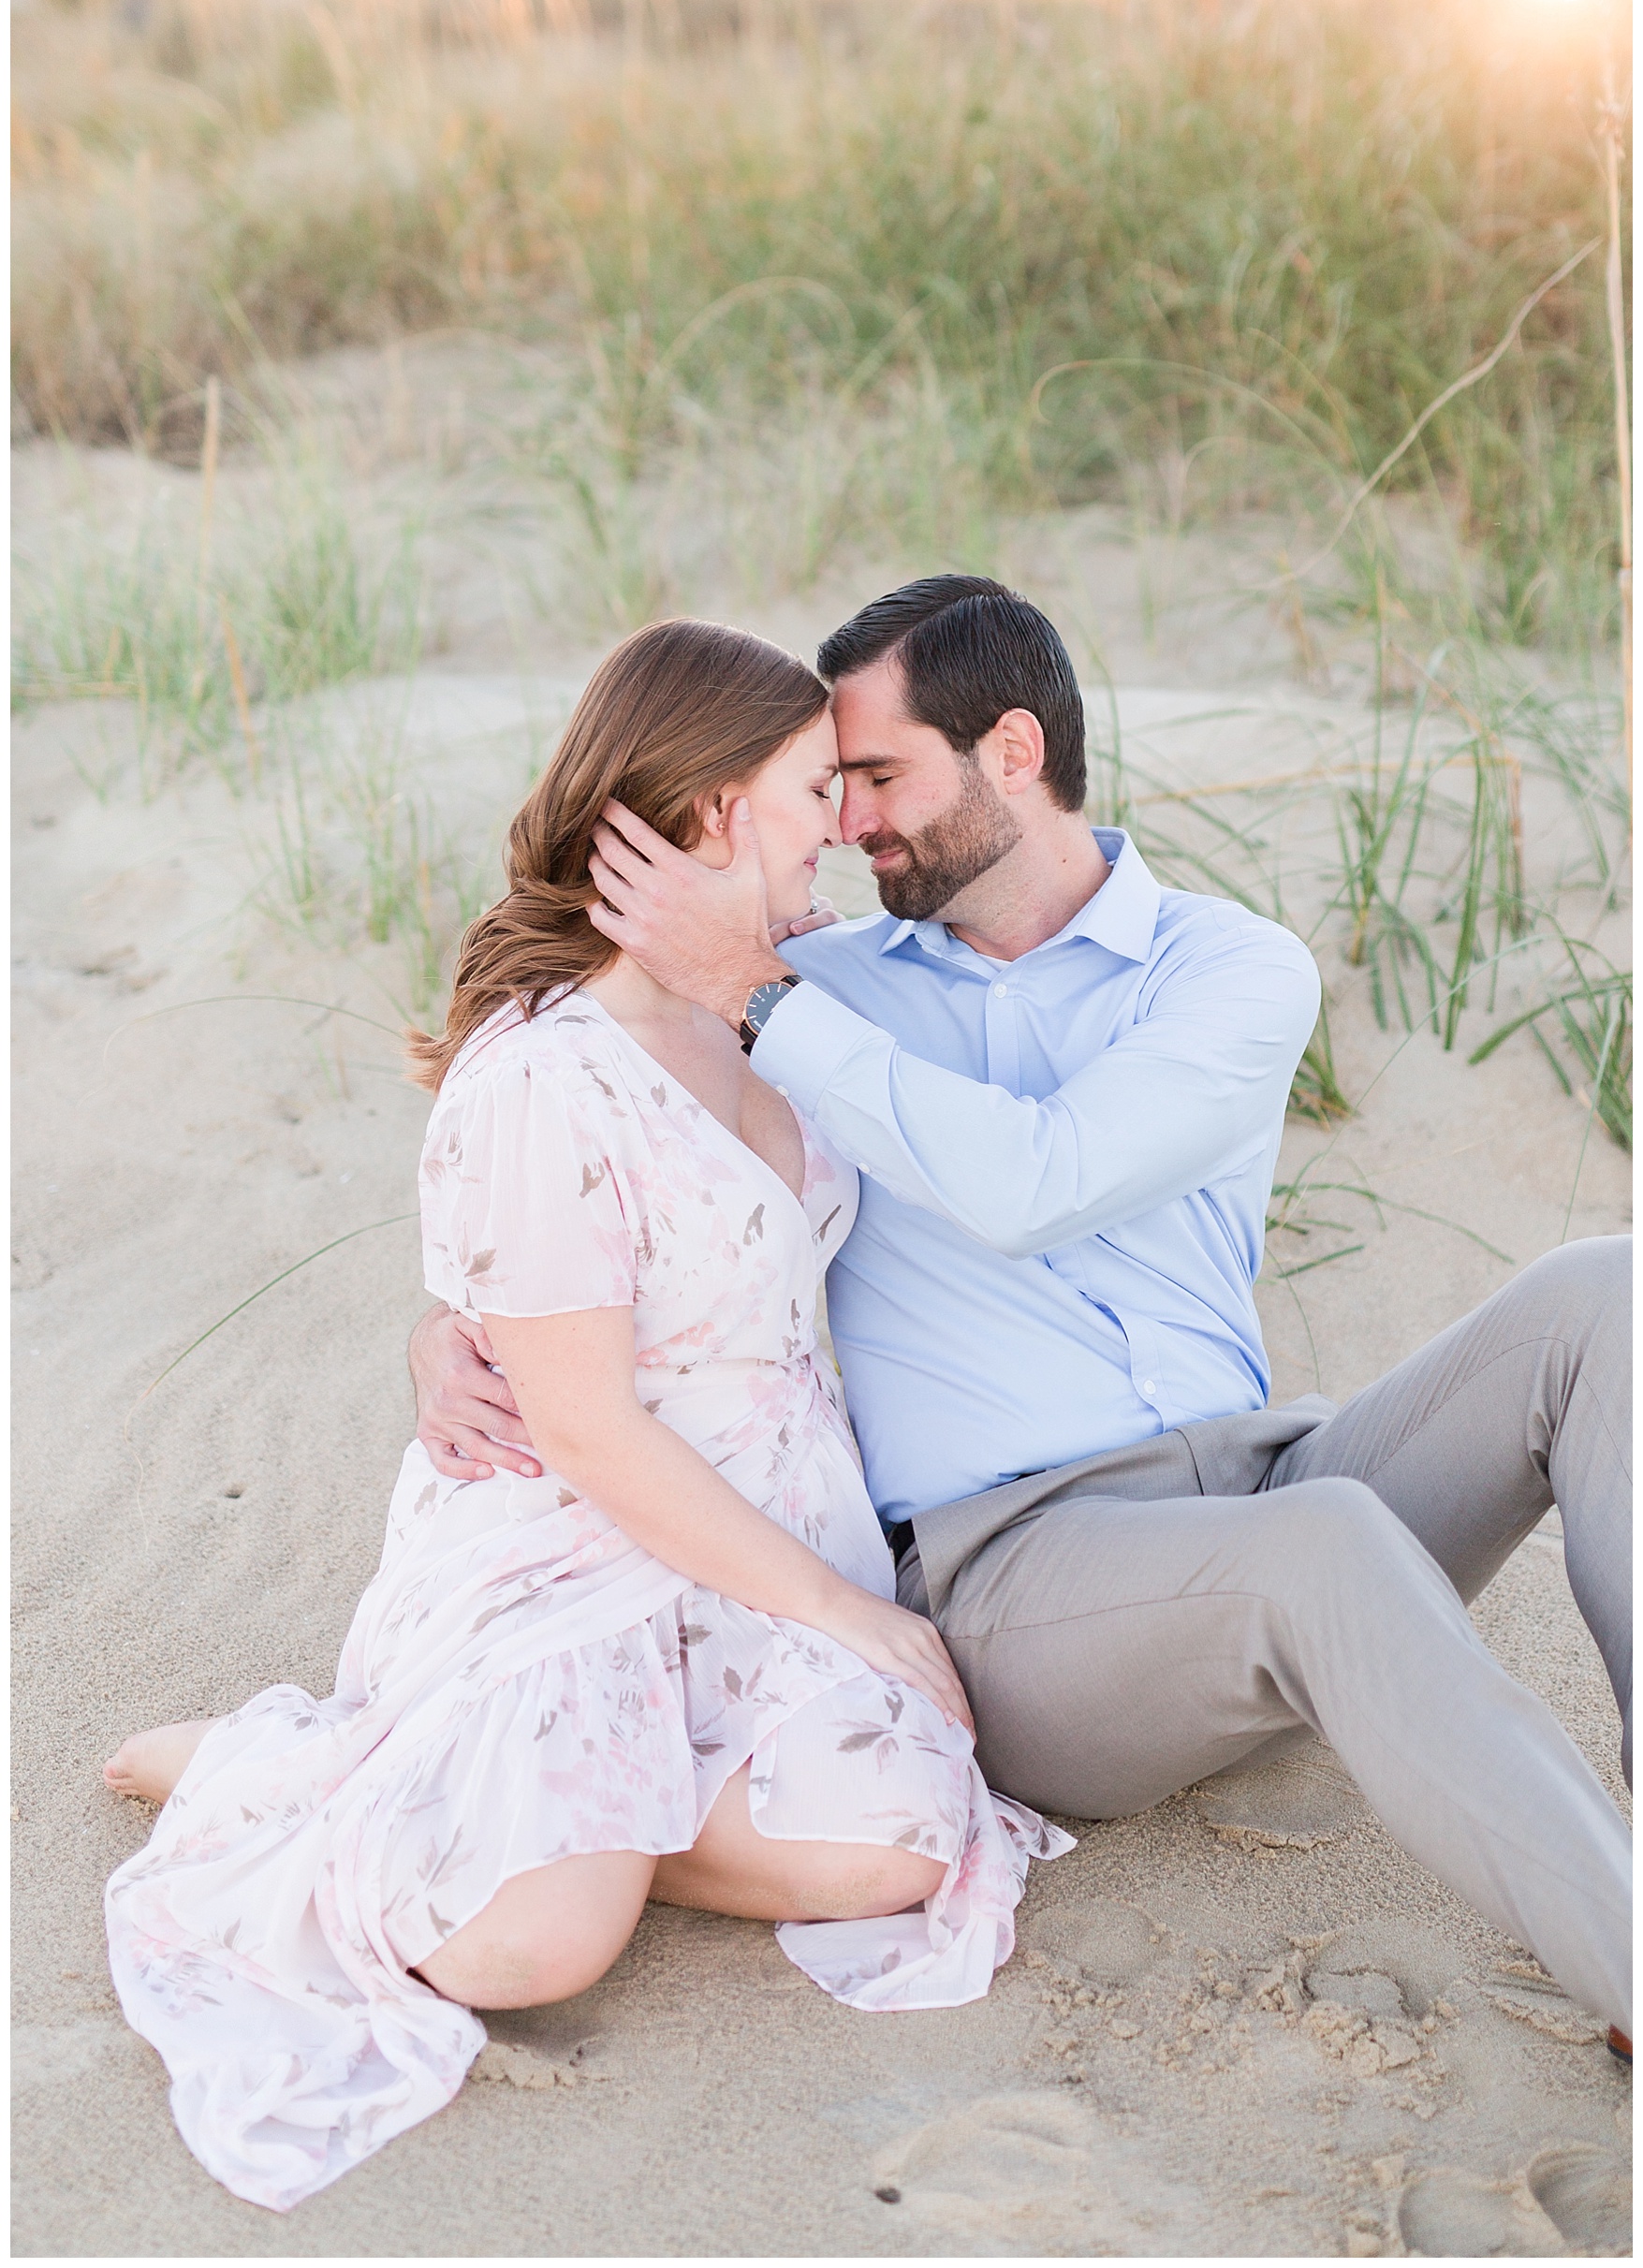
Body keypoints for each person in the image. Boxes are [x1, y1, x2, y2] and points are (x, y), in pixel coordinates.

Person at [413, 574, 1633, 2049]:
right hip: (1018, 1576)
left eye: (878, 776)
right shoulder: (794, 980)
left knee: (1601, 1294)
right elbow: (566, 1153)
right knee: (1327, 1549)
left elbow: (1040, 1182)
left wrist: (768, 1004)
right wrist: (434, 1326)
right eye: (831, 785)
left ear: (1009, 754)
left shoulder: (1225, 969)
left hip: (1259, 1476)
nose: (851, 825)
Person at [102, 619, 1071, 2214]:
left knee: (903, 1843)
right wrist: (847, 1613)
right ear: (704, 818)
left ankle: (527, 1802)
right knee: (533, 1952)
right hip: (589, 1546)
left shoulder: (783, 999)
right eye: (812, 789)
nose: (845, 820)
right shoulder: (548, 1074)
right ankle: (308, 1772)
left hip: (764, 1535)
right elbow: (593, 1434)